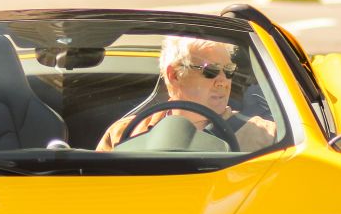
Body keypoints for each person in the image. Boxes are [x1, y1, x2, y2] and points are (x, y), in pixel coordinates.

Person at [97, 35, 276, 152]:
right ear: (174, 75)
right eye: (210, 70)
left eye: (229, 70)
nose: (223, 81)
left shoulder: (268, 137)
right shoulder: (123, 134)